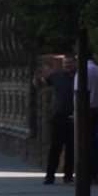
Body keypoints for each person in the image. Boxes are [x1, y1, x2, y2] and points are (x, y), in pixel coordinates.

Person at [34, 56, 75, 184]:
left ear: (74, 63)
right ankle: (50, 175)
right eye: (65, 63)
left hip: (74, 116)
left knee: (71, 147)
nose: (67, 65)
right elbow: (41, 85)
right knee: (55, 146)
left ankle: (68, 175)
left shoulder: (79, 76)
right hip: (59, 116)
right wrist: (36, 78)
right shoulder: (57, 75)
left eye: (69, 62)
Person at [77, 59, 98, 182]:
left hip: (84, 109)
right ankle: (93, 173)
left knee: (83, 141)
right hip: (96, 109)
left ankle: (84, 173)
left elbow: (76, 92)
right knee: (94, 141)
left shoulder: (81, 72)